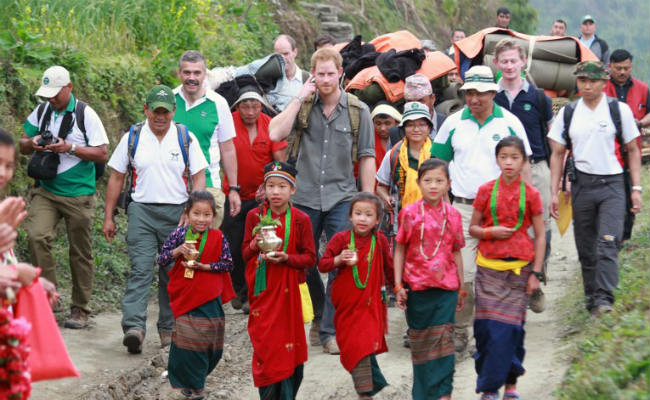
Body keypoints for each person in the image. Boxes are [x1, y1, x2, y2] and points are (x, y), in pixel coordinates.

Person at [269, 47, 376, 354]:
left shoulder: (358, 111)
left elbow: (367, 157)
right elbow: (275, 132)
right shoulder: (303, 107)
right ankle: (318, 310)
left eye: (331, 73)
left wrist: (366, 201)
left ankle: (329, 331)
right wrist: (299, 98)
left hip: (342, 196)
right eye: (320, 74)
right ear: (312, 75)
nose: (326, 79)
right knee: (303, 262)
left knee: (340, 263)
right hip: (303, 196)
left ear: (341, 74)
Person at [432, 65, 532, 357]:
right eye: (470, 93)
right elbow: (437, 166)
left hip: (501, 210)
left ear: (493, 92)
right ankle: (461, 330)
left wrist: (523, 207)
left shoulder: (510, 123)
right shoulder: (452, 124)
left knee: (497, 275)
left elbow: (523, 167)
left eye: (481, 93)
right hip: (462, 208)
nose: (475, 99)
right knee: (463, 275)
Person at [103, 84, 208, 353]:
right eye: (155, 111)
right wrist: (109, 216)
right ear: (146, 110)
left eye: (165, 111)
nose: (160, 117)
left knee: (172, 271)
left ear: (173, 111)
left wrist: (192, 211)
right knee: (141, 267)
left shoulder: (185, 137)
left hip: (177, 214)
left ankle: (168, 328)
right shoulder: (133, 137)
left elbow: (198, 175)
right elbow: (116, 176)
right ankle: (134, 327)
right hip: (142, 211)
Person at [548, 61, 642, 316]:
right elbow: (557, 153)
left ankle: (605, 299)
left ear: (604, 82)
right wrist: (554, 191)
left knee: (608, 242)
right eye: (582, 80)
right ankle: (592, 298)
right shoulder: (568, 113)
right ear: (577, 82)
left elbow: (633, 149)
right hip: (582, 186)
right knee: (586, 247)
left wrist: (636, 188)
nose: (587, 85)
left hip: (612, 185)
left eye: (593, 81)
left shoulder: (617, 111)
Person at [19, 65, 109, 329]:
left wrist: (70, 147)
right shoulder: (43, 110)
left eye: (55, 94)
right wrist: (33, 141)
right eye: (47, 94)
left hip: (79, 194)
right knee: (37, 236)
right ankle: (48, 298)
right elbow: (22, 143)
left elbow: (102, 153)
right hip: (46, 190)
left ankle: (80, 309)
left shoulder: (86, 114)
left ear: (69, 88)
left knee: (80, 252)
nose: (51, 99)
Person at [469, 136, 545, 400]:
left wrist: (536, 273)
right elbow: (473, 228)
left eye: (515, 157)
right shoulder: (485, 191)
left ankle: (510, 385)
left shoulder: (532, 195)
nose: (509, 162)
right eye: (504, 157)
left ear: (524, 161)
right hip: (488, 270)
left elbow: (541, 235)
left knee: (513, 329)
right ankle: (489, 388)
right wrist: (491, 232)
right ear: (497, 159)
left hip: (519, 272)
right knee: (487, 330)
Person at [242, 161, 316, 399]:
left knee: (289, 350)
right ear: (263, 189)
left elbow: (310, 258)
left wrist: (287, 258)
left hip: (289, 295)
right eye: (271, 186)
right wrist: (255, 244)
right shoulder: (254, 216)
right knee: (266, 347)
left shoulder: (300, 219)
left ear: (292, 190)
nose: (275, 192)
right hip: (262, 293)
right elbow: (244, 254)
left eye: (282, 186)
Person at [394, 159, 465, 400]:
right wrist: (398, 285)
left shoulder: (453, 215)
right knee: (421, 348)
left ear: (449, 184)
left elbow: (456, 251)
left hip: (446, 290)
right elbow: (400, 249)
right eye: (427, 181)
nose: (433, 186)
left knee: (445, 345)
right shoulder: (409, 214)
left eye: (439, 181)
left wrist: (461, 286)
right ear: (418, 183)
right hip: (417, 290)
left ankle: (444, 394)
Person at [157, 190, 235, 400]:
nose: (201, 219)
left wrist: (206, 267)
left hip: (209, 297)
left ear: (213, 216)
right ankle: (197, 387)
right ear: (187, 213)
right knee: (186, 344)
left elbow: (228, 263)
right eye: (196, 214)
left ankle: (193, 381)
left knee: (208, 342)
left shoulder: (218, 237)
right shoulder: (179, 235)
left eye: (206, 215)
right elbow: (162, 259)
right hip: (185, 297)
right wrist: (178, 251)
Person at [318, 193, 392, 399]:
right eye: (358, 213)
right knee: (353, 348)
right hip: (345, 310)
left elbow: (390, 268)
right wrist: (339, 259)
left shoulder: (380, 241)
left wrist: (402, 288)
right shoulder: (341, 239)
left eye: (369, 215)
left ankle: (364, 393)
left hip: (370, 308)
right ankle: (371, 382)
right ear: (350, 217)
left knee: (361, 346)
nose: (362, 219)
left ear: (377, 220)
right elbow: (322, 264)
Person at [221, 90, 288, 313]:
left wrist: (270, 186)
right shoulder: (228, 123)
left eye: (255, 106)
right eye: (245, 107)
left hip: (262, 198)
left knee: (260, 243)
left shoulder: (271, 125)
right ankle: (239, 288)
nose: (250, 112)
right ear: (237, 107)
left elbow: (279, 162)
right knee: (234, 244)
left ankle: (254, 293)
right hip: (232, 195)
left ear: (261, 107)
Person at [493, 38, 553, 280]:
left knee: (542, 223)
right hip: (501, 170)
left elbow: (553, 138)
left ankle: (538, 273)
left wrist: (558, 175)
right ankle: (513, 276)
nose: (509, 66)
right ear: (496, 63)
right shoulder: (491, 98)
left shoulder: (539, 98)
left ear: (523, 62)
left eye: (513, 61)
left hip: (537, 167)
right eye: (504, 61)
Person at [173, 50, 240, 228]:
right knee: (175, 250)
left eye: (197, 73)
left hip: (209, 186)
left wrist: (233, 188)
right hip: (173, 186)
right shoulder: (170, 101)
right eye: (187, 72)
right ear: (179, 73)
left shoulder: (218, 103)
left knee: (205, 250)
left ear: (205, 74)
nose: (192, 78)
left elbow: (227, 148)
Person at [377, 102, 437, 217]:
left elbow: (445, 191)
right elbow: (381, 186)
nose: (416, 129)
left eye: (422, 124)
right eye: (410, 125)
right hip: (402, 217)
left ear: (429, 128)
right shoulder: (394, 154)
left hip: (434, 217)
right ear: (403, 129)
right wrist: (387, 198)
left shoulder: (437, 153)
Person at [388, 74, 447, 147]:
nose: (416, 107)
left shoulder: (447, 124)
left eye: (421, 101)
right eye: (410, 102)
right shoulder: (396, 132)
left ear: (432, 99)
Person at [605, 49, 650, 136]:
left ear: (631, 67)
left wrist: (640, 123)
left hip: (635, 139)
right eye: (618, 68)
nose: (622, 72)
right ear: (609, 66)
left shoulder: (643, 88)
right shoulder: (601, 87)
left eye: (626, 68)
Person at [268, 34, 308, 111]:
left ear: (295, 52)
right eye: (278, 55)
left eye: (286, 54)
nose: (282, 58)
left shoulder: (306, 79)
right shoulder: (268, 80)